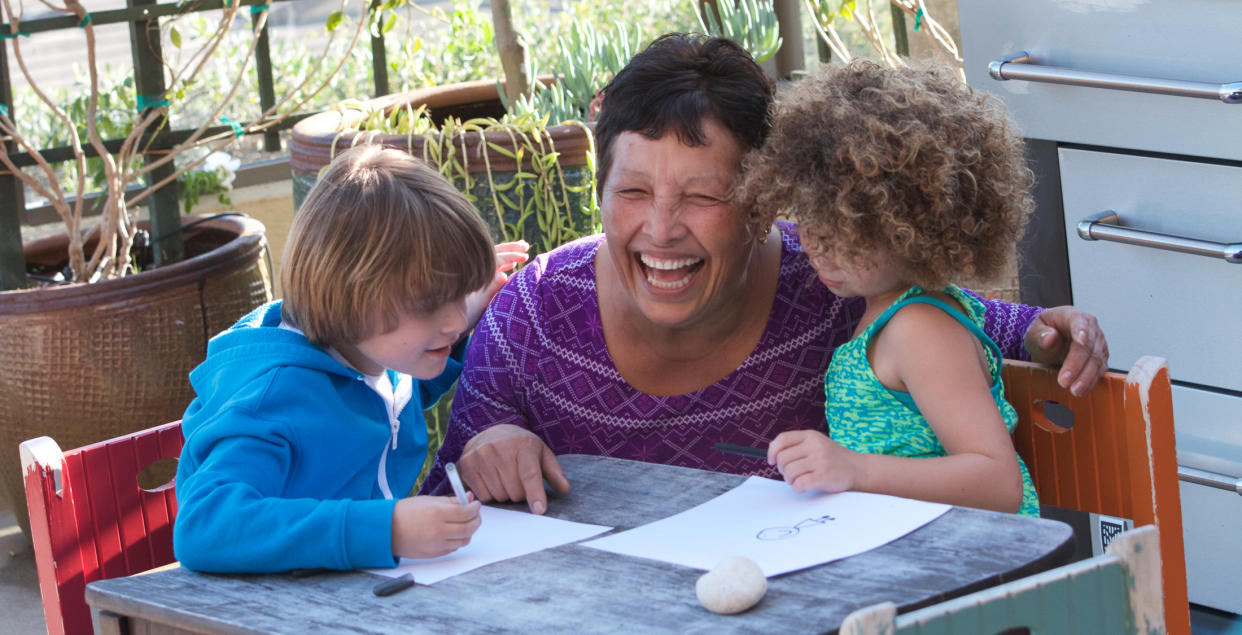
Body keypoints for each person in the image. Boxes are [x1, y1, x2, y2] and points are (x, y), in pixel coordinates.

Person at [420, 34, 1109, 514]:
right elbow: (444, 501)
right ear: (597, 191)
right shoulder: (533, 315)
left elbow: (977, 322)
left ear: (762, 204)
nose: (660, 230)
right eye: (632, 193)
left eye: (702, 196)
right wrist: (487, 447)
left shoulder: (839, 278)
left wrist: (1052, 334)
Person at [173, 145, 529, 573]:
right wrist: (386, 530)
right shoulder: (274, 399)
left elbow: (388, 399)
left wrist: (461, 318)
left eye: (460, 295)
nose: (455, 318)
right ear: (354, 300)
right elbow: (204, 526)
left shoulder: (368, 353)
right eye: (432, 304)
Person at [741, 61, 1039, 514]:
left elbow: (998, 483)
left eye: (850, 227)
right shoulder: (887, 313)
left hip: (976, 563)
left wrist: (856, 470)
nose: (819, 246)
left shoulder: (920, 327)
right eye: (811, 216)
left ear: (914, 227)